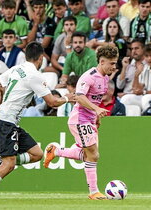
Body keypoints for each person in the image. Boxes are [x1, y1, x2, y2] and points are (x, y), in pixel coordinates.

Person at [0, 41, 75, 203]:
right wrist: (66, 98)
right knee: (9, 165)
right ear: (41, 57)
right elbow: (52, 102)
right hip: (6, 122)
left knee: (37, 154)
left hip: (8, 122)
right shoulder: (35, 75)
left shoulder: (16, 69)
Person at [43, 45, 119, 200]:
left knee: (88, 155)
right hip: (79, 120)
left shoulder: (104, 79)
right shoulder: (89, 76)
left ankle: (56, 151)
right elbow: (79, 97)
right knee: (94, 155)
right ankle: (93, 192)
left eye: (115, 63)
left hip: (89, 120)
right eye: (111, 63)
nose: (114, 66)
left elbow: (94, 99)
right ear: (102, 61)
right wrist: (97, 110)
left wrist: (96, 117)